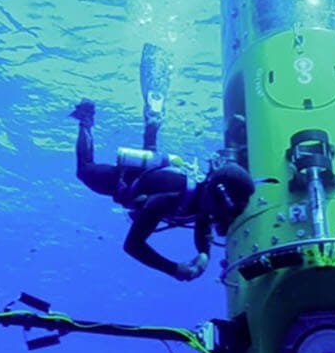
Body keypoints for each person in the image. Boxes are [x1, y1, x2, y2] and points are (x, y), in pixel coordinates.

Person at [72, 100, 254, 281]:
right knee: (85, 171)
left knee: (151, 160)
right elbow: (133, 245)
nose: (216, 218)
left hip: (153, 182)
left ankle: (152, 127)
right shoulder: (169, 199)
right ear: (214, 196)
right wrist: (173, 269)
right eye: (219, 212)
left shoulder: (204, 203)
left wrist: (204, 255)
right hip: (125, 180)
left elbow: (203, 222)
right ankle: (86, 120)